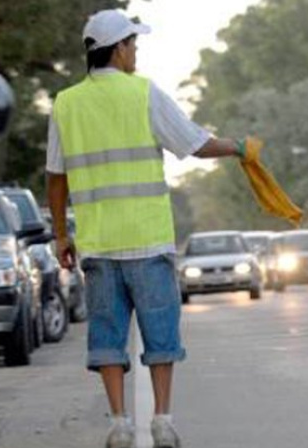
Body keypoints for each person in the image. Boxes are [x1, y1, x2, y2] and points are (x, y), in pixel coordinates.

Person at [46, 9, 257, 448]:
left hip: (99, 245)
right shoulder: (144, 94)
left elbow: (55, 177)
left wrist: (62, 237)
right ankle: (162, 420)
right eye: (134, 45)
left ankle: (120, 423)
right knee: (162, 333)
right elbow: (194, 143)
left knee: (107, 337)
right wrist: (239, 147)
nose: (136, 52)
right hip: (147, 240)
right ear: (119, 48)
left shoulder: (65, 104)